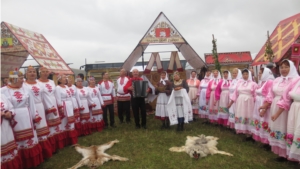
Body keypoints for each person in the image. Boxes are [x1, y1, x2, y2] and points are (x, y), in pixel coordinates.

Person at [1, 69, 43, 169]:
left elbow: (32, 104)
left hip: (26, 116)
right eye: (20, 78)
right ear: (13, 79)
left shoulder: (26, 89)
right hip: (14, 118)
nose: (22, 80)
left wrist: (35, 116)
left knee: (29, 140)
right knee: (17, 140)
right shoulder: (3, 91)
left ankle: (32, 162)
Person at [259, 59, 299, 161]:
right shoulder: (277, 80)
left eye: (286, 67)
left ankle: (287, 153)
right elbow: (271, 94)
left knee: (285, 129)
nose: (284, 69)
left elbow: (287, 99)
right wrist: (265, 105)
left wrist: (277, 113)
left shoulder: (295, 80)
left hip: (286, 109)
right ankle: (280, 153)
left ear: (292, 68)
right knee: (277, 128)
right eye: (282, 67)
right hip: (275, 105)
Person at [24, 66, 52, 159]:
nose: (32, 73)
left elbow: (44, 97)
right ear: (26, 74)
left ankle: (44, 150)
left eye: (33, 72)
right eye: (30, 72)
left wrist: (47, 107)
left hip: (40, 106)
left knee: (42, 127)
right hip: (30, 108)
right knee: (34, 128)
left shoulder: (40, 84)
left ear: (36, 73)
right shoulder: (24, 85)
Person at [37, 66, 63, 152]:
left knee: (55, 124)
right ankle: (50, 146)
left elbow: (56, 94)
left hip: (54, 102)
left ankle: (57, 144)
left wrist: (59, 105)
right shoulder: (37, 83)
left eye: (46, 71)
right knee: (48, 124)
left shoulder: (52, 82)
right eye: (43, 71)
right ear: (39, 73)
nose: (45, 73)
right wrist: (49, 107)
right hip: (45, 104)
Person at [228, 69, 257, 138]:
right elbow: (235, 94)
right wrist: (231, 103)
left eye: (246, 74)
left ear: (249, 75)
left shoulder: (253, 84)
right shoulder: (239, 83)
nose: (245, 76)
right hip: (240, 102)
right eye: (243, 74)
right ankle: (243, 130)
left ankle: (249, 133)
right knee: (242, 114)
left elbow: (255, 95)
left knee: (248, 115)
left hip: (249, 102)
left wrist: (256, 104)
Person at [277, 76, 300, 162]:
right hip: (294, 108)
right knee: (293, 131)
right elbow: (287, 95)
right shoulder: (296, 80)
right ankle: (295, 156)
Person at [251, 68, 274, 146]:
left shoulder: (270, 82)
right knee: (259, 120)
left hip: (265, 103)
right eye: (259, 73)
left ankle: (267, 141)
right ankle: (260, 137)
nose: (259, 74)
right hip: (259, 102)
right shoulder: (262, 82)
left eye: (261, 73)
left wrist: (264, 108)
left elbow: (270, 96)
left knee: (265, 120)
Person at [55, 74, 78, 146]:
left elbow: (70, 96)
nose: (66, 79)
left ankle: (71, 139)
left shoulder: (66, 87)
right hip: (64, 105)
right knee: (64, 122)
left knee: (70, 122)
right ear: (59, 80)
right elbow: (58, 98)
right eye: (64, 77)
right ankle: (64, 141)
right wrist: (60, 107)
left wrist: (74, 106)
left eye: (65, 77)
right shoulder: (58, 88)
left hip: (69, 105)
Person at [1, 94, 22, 169]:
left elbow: (11, 108)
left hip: (6, 126)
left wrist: (9, 113)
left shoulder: (2, 96)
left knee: (9, 149)